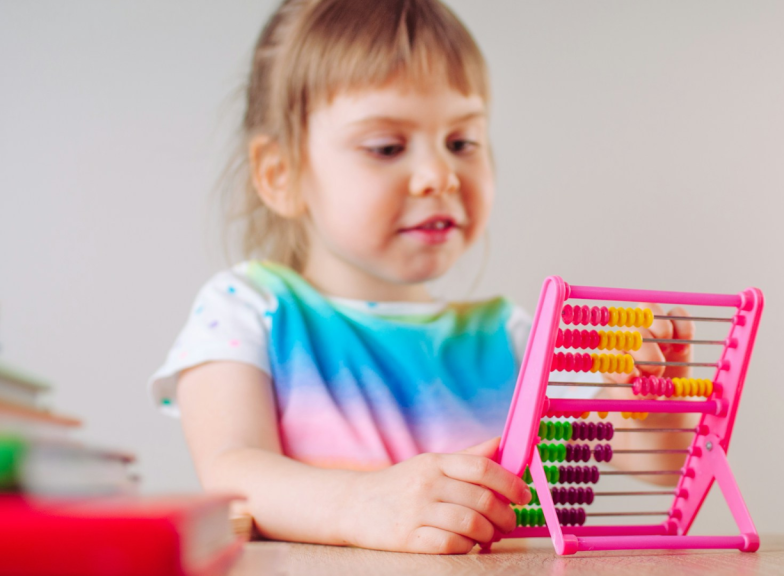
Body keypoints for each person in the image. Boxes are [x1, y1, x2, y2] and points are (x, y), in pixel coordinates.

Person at [149, 0, 695, 554]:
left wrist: (649, 408)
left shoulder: (511, 336)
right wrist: (358, 504)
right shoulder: (248, 309)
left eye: (462, 143)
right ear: (280, 173)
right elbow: (231, 470)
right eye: (386, 147)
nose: (439, 176)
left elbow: (656, 465)